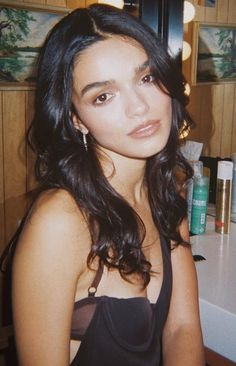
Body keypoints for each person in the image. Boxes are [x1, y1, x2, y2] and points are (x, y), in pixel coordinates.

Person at [10, 3, 205, 366]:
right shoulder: (62, 221)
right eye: (103, 96)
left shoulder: (165, 192)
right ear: (76, 119)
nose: (139, 108)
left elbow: (182, 328)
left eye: (146, 78)